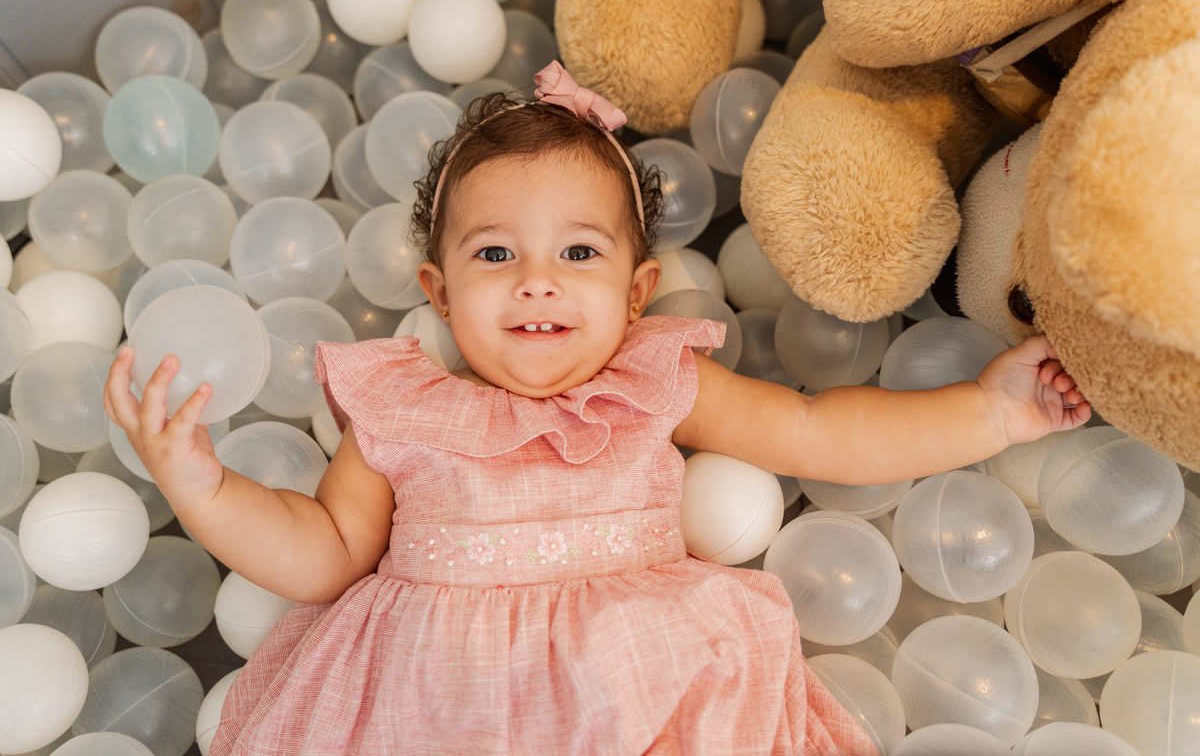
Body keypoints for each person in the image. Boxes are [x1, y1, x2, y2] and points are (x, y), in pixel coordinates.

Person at [104, 61, 1090, 756]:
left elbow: (817, 429)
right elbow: (319, 552)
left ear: (636, 291)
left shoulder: (655, 381)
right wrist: (203, 481)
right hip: (439, 703)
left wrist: (988, 411)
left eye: (578, 252)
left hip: (638, 683)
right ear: (438, 292)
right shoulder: (402, 412)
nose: (537, 281)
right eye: (495, 253)